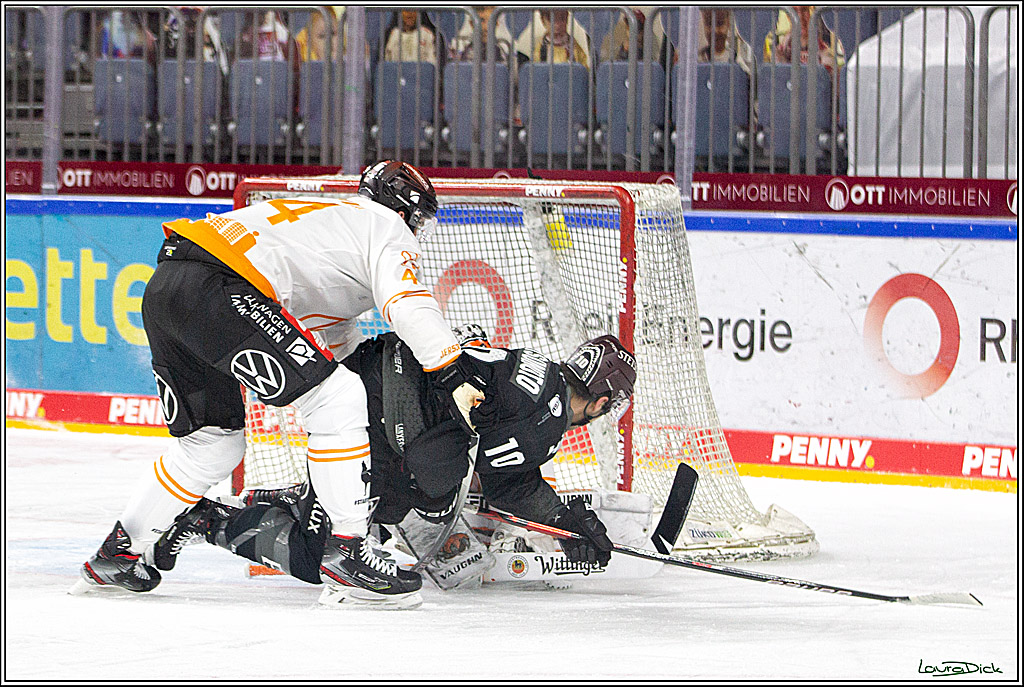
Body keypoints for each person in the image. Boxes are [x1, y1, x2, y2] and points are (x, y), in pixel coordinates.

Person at [72, 161, 488, 610]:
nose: (416, 231)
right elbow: (406, 302)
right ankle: (347, 553)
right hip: (221, 287)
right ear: (406, 208)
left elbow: (335, 343)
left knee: (212, 446)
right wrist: (451, 370)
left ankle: (116, 553)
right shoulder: (386, 228)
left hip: (169, 286)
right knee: (338, 401)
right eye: (419, 218)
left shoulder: (331, 229)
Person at [152, 328, 636, 594]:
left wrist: (560, 517)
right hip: (381, 420)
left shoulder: (538, 367)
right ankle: (206, 518)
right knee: (319, 556)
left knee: (401, 500)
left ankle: (298, 496)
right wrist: (563, 521)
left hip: (369, 373)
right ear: (601, 400)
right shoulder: (546, 421)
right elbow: (501, 481)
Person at [766, 6, 845, 74]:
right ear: (788, 17)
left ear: (812, 13)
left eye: (804, 10)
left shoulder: (824, 51)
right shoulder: (781, 51)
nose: (800, 17)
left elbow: (827, 81)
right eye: (795, 11)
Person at [514, 9, 591, 69]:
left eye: (562, 19)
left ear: (567, 19)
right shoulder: (541, 47)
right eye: (551, 19)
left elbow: (583, 69)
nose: (557, 25)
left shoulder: (573, 45)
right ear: (543, 21)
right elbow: (537, 70)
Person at [698, 8, 754, 77]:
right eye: (709, 24)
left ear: (728, 24)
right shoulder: (699, 59)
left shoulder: (739, 59)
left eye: (720, 24)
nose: (714, 30)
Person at [448, 6, 514, 63]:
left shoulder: (501, 53)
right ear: (471, 24)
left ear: (497, 24)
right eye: (481, 20)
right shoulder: (466, 52)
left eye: (491, 21)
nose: (486, 27)